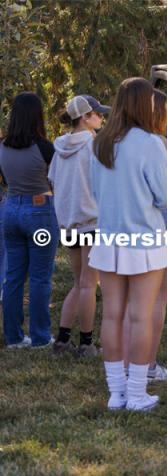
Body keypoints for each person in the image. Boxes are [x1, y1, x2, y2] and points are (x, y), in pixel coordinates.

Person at [90, 77, 167, 411]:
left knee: (111, 316)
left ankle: (117, 393)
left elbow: (96, 193)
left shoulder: (100, 143)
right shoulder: (150, 143)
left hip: (109, 236)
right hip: (144, 238)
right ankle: (137, 394)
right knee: (140, 317)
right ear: (145, 105)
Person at [123, 88, 167, 381]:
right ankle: (147, 364)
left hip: (128, 224)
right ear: (157, 113)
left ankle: (125, 361)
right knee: (158, 298)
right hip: (164, 222)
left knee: (126, 302)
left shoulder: (118, 143)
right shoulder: (162, 145)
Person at [49, 95, 110, 357]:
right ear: (85, 117)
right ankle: (86, 343)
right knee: (88, 284)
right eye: (97, 114)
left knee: (78, 283)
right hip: (92, 222)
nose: (101, 118)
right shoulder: (93, 145)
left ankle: (62, 339)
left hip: (69, 224)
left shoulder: (59, 147)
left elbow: (52, 179)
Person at [0, 92, 59, 348]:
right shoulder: (45, 148)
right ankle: (40, 336)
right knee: (39, 277)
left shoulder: (2, 146)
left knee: (13, 276)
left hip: (10, 209)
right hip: (39, 212)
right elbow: (57, 180)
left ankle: (13, 336)